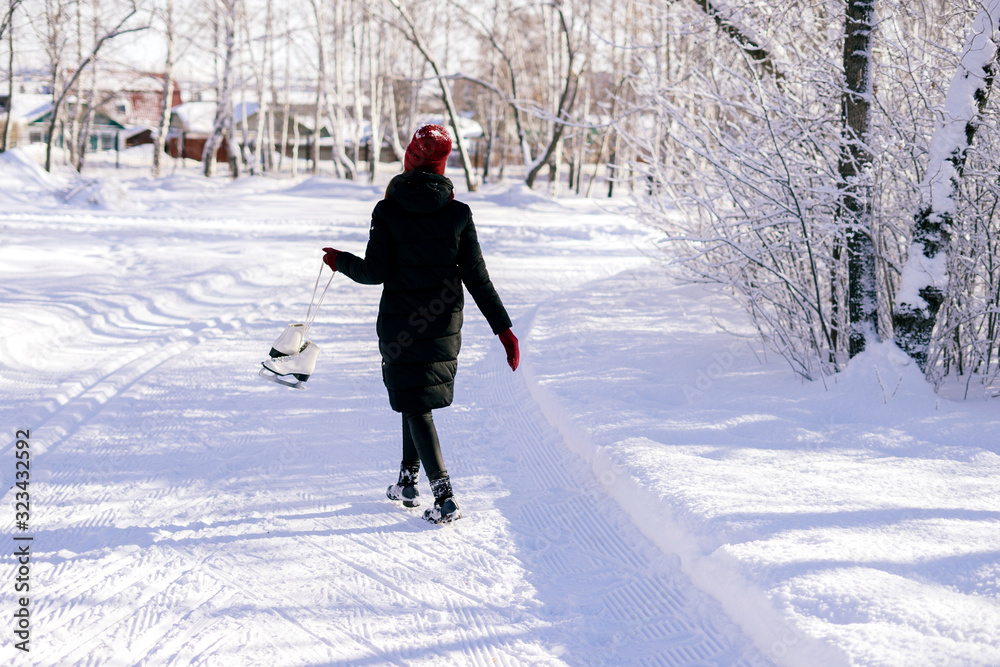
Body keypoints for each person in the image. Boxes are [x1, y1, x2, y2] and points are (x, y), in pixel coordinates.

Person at [322, 124, 519, 524]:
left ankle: (445, 497)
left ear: (410, 157)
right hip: (443, 324)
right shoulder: (458, 214)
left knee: (415, 405)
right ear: (443, 164)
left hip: (400, 325)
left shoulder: (388, 210)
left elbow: (373, 273)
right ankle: (407, 481)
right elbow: (477, 278)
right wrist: (504, 330)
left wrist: (339, 260)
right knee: (414, 400)